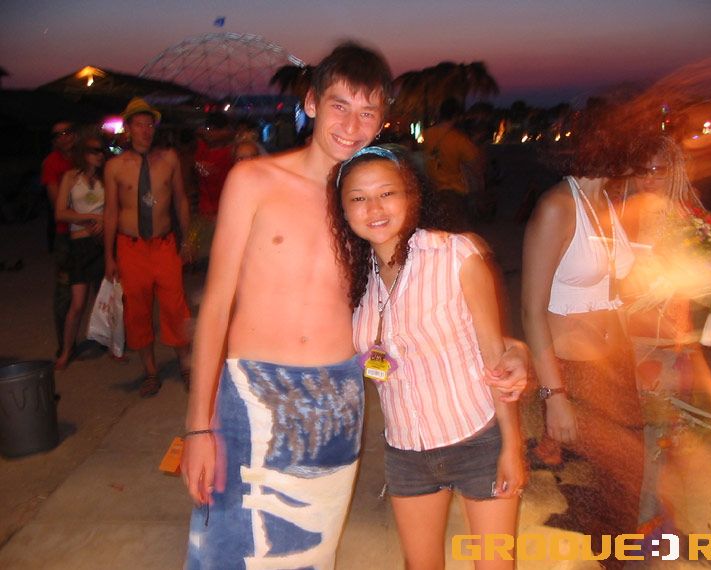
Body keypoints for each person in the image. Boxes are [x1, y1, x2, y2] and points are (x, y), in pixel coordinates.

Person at [181, 42, 528, 569]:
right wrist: (199, 425)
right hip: (253, 392)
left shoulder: (363, 210)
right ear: (312, 103)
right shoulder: (254, 181)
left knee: (308, 553)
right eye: (339, 105)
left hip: (338, 398)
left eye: (368, 112)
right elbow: (215, 307)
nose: (351, 124)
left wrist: (513, 349)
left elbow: (426, 301)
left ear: (382, 120)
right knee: (230, 549)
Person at [328, 145, 525, 569]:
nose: (374, 208)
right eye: (358, 198)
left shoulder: (454, 255)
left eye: (387, 193)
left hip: (477, 438)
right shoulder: (353, 280)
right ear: (343, 211)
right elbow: (360, 356)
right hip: (406, 451)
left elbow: (494, 353)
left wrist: (511, 446)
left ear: (411, 196)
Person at [521, 110, 644, 565]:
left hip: (616, 366)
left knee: (621, 490)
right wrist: (554, 396)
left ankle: (611, 557)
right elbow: (531, 310)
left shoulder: (606, 201)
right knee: (615, 486)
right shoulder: (558, 206)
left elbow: (614, 287)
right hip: (576, 374)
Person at [621, 133, 711, 540]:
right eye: (642, 169)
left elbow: (684, 314)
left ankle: (656, 535)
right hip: (640, 350)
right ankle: (643, 542)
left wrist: (709, 381)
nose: (649, 177)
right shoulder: (626, 215)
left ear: (674, 171)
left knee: (666, 453)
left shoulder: (688, 219)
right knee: (649, 455)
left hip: (673, 351)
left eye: (658, 168)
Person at [103, 98, 192, 397]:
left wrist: (187, 240)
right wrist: (109, 256)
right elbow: (111, 212)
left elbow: (180, 199)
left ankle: (186, 365)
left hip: (164, 244)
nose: (145, 130)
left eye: (149, 124)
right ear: (128, 128)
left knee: (175, 307)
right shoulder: (115, 167)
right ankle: (150, 371)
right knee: (137, 311)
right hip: (131, 247)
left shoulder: (169, 159)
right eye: (139, 124)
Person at [54, 130, 107, 369]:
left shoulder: (105, 178)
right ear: (83, 153)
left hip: (101, 242)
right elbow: (60, 212)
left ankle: (112, 344)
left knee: (105, 300)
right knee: (77, 303)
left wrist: (103, 221)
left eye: (102, 150)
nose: (100, 155)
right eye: (94, 150)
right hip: (79, 244)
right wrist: (89, 218)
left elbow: (115, 208)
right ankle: (67, 350)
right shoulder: (71, 177)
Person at [421, 98, 484, 230]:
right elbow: (475, 164)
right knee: (457, 229)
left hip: (432, 188)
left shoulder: (427, 134)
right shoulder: (459, 139)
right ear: (456, 116)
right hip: (454, 190)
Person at [42, 121, 76, 356]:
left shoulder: (84, 156)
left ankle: (106, 337)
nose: (64, 137)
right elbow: (57, 204)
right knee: (65, 291)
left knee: (102, 288)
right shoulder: (52, 163)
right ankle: (65, 345)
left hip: (91, 233)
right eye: (58, 135)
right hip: (66, 234)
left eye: (67, 132)